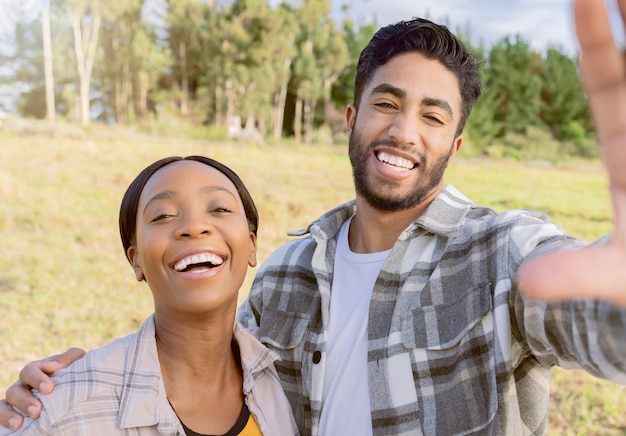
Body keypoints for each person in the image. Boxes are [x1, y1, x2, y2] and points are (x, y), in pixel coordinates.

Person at [2, 0, 626, 434]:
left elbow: (601, 323)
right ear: (352, 121)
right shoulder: (284, 277)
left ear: (455, 146)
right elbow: (209, 373)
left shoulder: (505, 253)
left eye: (433, 116)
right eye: (387, 103)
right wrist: (66, 392)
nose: (404, 131)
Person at [0, 156, 299, 435]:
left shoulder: (283, 380)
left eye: (219, 208)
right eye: (163, 215)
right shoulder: (60, 410)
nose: (194, 227)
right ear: (136, 260)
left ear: (251, 245)